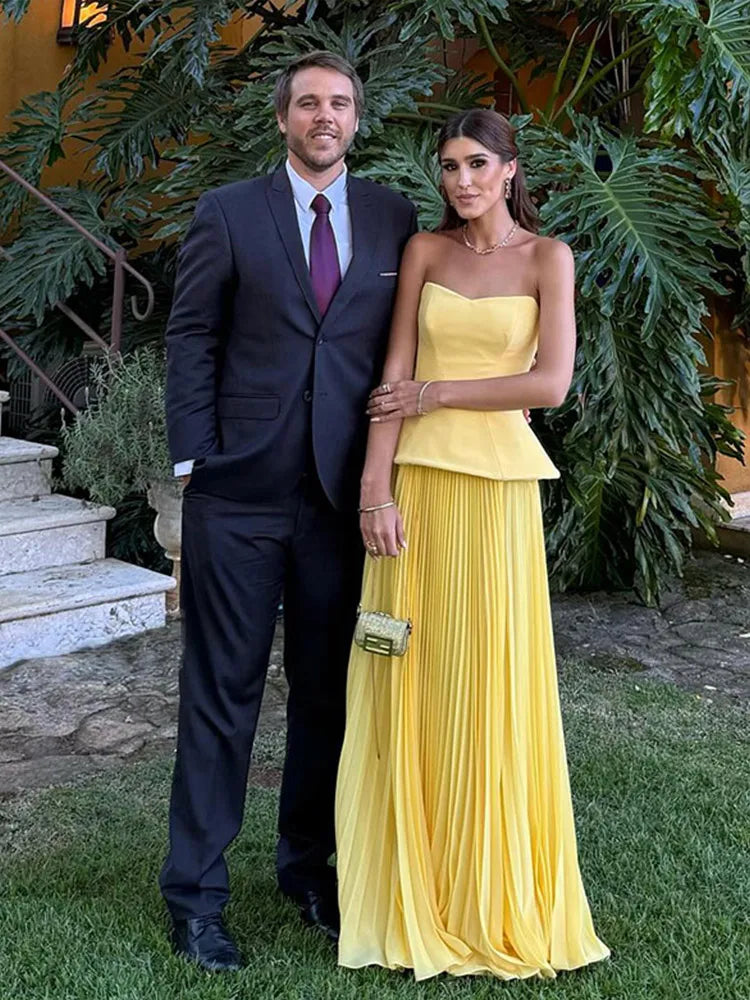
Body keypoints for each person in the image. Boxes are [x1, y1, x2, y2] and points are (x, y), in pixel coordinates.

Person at [335, 107, 611, 981]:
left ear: (509, 169)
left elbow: (551, 382)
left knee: (487, 678)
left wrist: (436, 397)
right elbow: (391, 379)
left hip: (495, 497)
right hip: (414, 490)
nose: (460, 180)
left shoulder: (548, 258)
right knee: (405, 669)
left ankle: (488, 892)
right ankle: (408, 886)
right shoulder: (424, 251)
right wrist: (375, 488)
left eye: (476, 163)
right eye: (449, 165)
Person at [161, 50, 417, 972]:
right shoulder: (229, 212)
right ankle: (194, 897)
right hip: (237, 496)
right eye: (308, 102)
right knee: (220, 698)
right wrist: (195, 461)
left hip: (341, 500)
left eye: (340, 103)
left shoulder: (394, 217)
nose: (325, 116)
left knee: (326, 697)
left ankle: (307, 870)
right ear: (283, 119)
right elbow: (191, 334)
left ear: (357, 118)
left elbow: (403, 346)